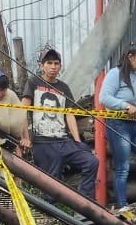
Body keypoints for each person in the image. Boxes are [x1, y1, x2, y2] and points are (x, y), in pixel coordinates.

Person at [20, 48, 99, 199]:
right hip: (44, 143)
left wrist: (77, 140)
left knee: (91, 162)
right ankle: (51, 217)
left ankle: (83, 205)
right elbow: (22, 111)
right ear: (41, 66)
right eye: (49, 63)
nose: (53, 67)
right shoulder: (33, 83)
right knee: (51, 189)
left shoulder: (63, 87)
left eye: (56, 63)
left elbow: (69, 115)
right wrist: (25, 137)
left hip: (64, 141)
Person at [98, 45, 136, 212]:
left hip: (134, 126)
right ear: (130, 57)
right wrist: (124, 105)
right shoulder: (114, 74)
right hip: (117, 125)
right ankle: (122, 206)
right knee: (123, 167)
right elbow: (104, 98)